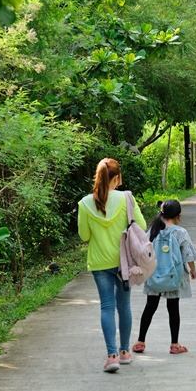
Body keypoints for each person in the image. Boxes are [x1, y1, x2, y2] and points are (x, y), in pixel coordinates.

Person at [78, 158, 146, 373]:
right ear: (116, 178)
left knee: (106, 306)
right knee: (123, 306)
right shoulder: (126, 198)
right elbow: (141, 226)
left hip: (99, 262)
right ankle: (125, 352)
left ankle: (112, 356)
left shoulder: (85, 203)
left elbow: (83, 235)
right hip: (123, 263)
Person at [132, 199, 196, 355]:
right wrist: (193, 270)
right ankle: (174, 345)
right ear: (178, 216)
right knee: (173, 308)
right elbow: (188, 255)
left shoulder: (153, 230)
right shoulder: (180, 232)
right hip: (173, 277)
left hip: (154, 275)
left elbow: (143, 252)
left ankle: (140, 341)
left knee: (150, 307)